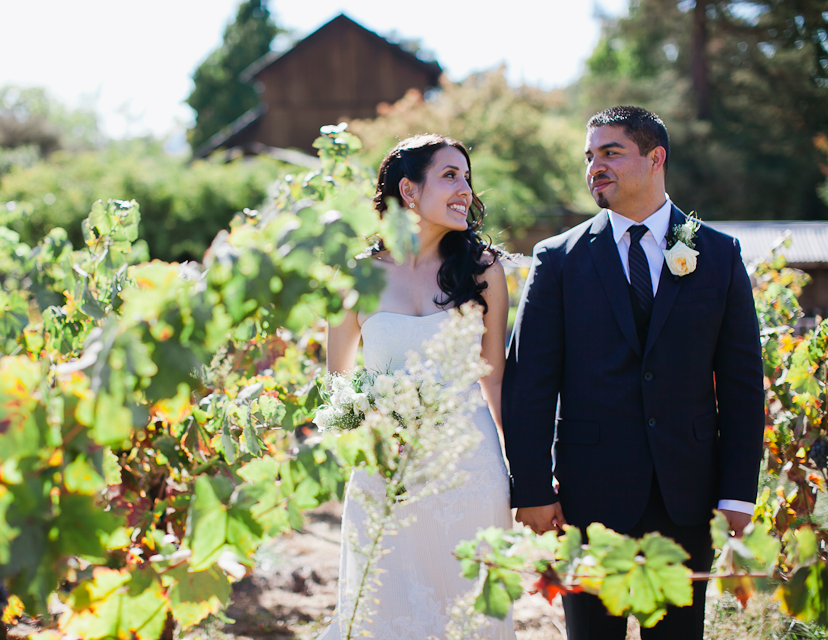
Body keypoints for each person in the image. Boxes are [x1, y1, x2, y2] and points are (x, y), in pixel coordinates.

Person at [502, 106, 765, 639]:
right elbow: (529, 380)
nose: (595, 166)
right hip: (588, 495)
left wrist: (737, 493)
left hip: (687, 496)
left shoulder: (717, 253)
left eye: (611, 152)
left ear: (656, 157)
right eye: (589, 156)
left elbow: (741, 382)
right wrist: (530, 486)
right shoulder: (558, 258)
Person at [319, 134, 517, 639]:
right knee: (384, 613)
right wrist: (371, 433)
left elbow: (493, 376)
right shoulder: (356, 277)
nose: (466, 189)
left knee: (470, 617)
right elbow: (337, 386)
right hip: (386, 476)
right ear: (408, 190)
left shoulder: (483, 270)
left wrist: (524, 469)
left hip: (469, 474)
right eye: (451, 175)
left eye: (467, 177)